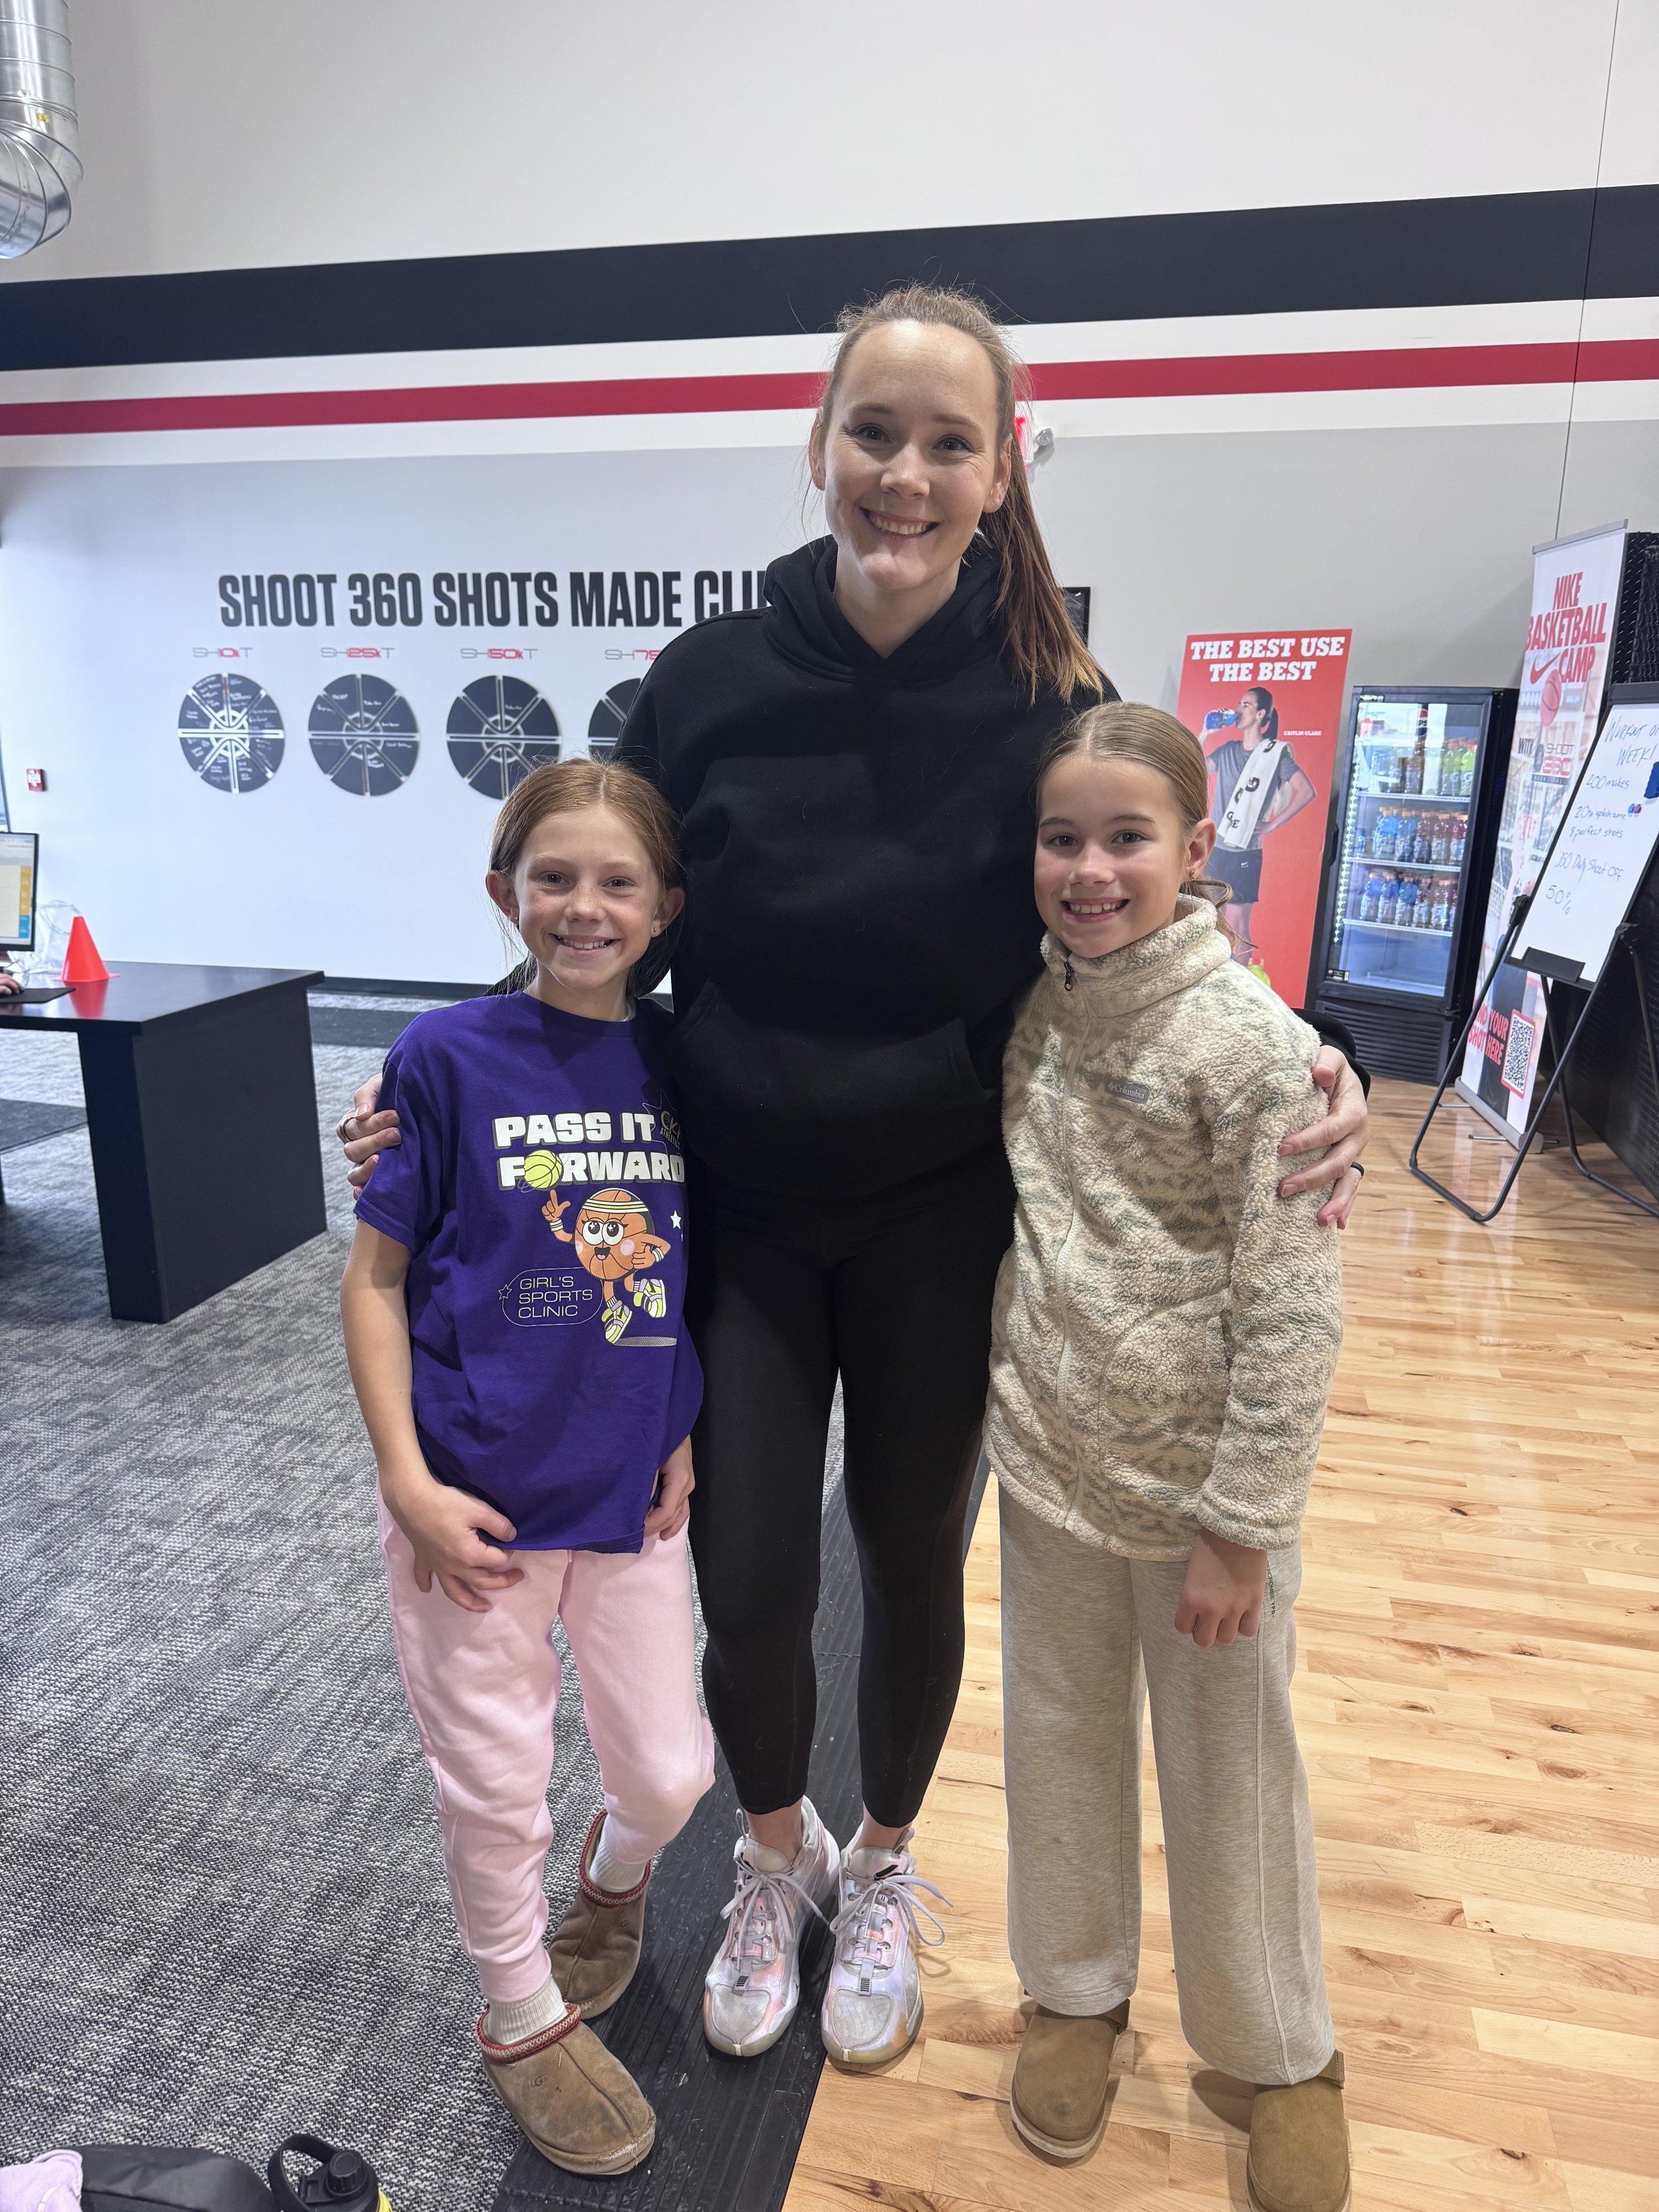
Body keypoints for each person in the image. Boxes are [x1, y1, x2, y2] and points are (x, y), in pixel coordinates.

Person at [340, 283, 1372, 2077]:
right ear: (817, 445)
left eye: (946, 442)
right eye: (872, 434)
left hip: (936, 1214)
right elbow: (609, 927)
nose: (903, 474)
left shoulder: (1048, 689)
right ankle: (767, 1860)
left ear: (1001, 466)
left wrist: (1312, 1049)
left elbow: (1133, 894)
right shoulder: (710, 683)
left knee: (905, 1557)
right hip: (727, 1214)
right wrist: (446, 1085)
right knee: (739, 1576)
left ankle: (882, 1862)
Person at [989, 702, 1348, 2212]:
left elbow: (1291, 1313)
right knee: (1058, 1751)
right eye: (1062, 838)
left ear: (1197, 850)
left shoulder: (1255, 1052)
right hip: (1051, 1471)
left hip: (1205, 1511)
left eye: (1126, 838)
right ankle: (1074, 1994)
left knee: (1231, 1778)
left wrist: (1243, 1528)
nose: (1088, 868)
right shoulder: (1035, 1005)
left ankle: (1279, 2055)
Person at [338, 760, 714, 2177]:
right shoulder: (439, 1057)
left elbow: (686, 1266)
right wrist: (404, 1480)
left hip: (631, 1495)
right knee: (494, 1785)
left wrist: (676, 1421)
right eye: (553, 876)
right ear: (506, 891)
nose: (583, 904)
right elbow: (373, 1284)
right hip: (473, 1506)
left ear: (665, 908)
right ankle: (515, 2008)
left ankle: (610, 1887)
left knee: (669, 1774)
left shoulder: (681, 1061)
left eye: (618, 881)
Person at [1206, 685, 1317, 965]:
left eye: (1246, 705)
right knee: (1210, 921)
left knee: (1237, 926)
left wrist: (1272, 825)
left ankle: (1241, 991)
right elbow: (1191, 764)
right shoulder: (1227, 750)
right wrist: (1207, 731)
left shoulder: (1274, 755)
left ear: (1261, 714)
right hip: (1216, 848)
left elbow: (1306, 790)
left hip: (1245, 852)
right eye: (1239, 704)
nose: (1238, 709)